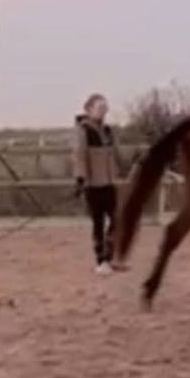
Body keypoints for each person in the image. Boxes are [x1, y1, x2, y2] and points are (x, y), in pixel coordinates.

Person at [73, 93, 128, 275]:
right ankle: (100, 260)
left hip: (109, 182)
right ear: (89, 109)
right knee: (98, 222)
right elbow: (80, 155)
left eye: (105, 108)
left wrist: (124, 167)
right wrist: (80, 178)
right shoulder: (83, 131)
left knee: (116, 219)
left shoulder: (107, 131)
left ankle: (110, 257)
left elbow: (116, 152)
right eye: (99, 108)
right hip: (93, 184)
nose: (103, 111)